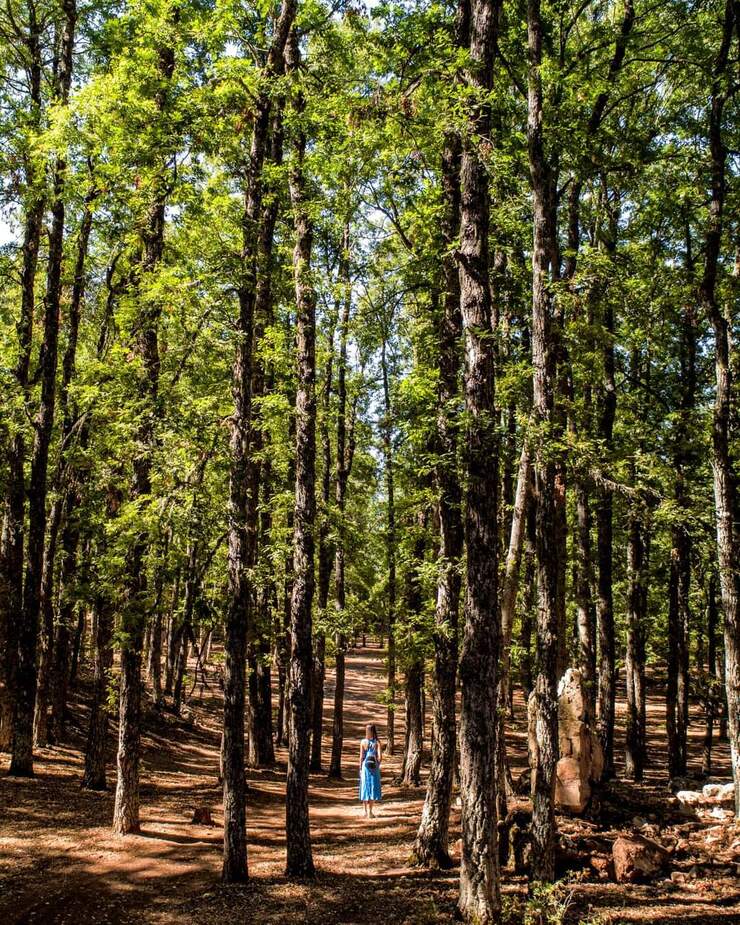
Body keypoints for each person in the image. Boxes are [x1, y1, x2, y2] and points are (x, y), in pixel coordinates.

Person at [359, 723, 382, 817]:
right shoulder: (377, 742)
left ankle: (365, 811)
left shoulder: (362, 742)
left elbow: (361, 757)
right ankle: (370, 812)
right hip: (374, 767)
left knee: (365, 787)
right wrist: (377, 764)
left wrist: (360, 768)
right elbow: (380, 757)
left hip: (365, 766)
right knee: (373, 786)